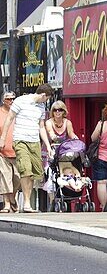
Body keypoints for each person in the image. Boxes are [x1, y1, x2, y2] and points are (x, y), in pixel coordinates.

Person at [0, 84, 54, 212]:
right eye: (46, 98)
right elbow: (9, 119)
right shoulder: (21, 101)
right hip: (20, 140)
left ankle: (25, 201)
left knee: (34, 174)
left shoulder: (41, 106)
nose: (46, 101)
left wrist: (47, 145)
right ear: (42, 95)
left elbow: (41, 127)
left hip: (34, 142)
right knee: (25, 170)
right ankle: (27, 203)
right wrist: (3, 138)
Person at [0, 89, 20, 213]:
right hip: (2, 151)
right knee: (5, 177)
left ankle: (12, 197)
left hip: (18, 150)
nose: (11, 101)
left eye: (13, 98)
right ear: (3, 100)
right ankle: (7, 204)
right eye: (8, 99)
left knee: (18, 178)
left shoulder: (18, 113)